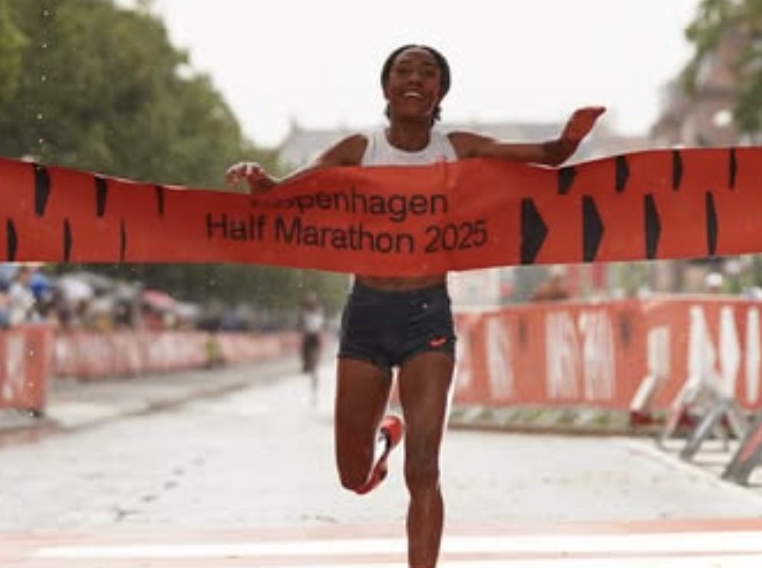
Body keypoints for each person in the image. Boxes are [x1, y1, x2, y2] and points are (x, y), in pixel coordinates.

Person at [227, 44, 603, 568]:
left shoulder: (458, 146)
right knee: (352, 477)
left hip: (427, 314)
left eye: (428, 73)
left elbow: (547, 157)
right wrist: (259, 179)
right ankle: (387, 434)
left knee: (425, 471)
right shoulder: (360, 148)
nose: (415, 79)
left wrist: (570, 136)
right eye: (404, 70)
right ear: (385, 88)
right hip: (366, 314)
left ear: (440, 93)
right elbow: (284, 193)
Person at [298, 291, 326, 406]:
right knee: (308, 366)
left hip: (314, 340)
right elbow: (301, 326)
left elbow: (319, 326)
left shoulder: (318, 312)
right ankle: (307, 366)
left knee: (314, 369)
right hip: (309, 340)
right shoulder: (304, 313)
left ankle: (314, 391)